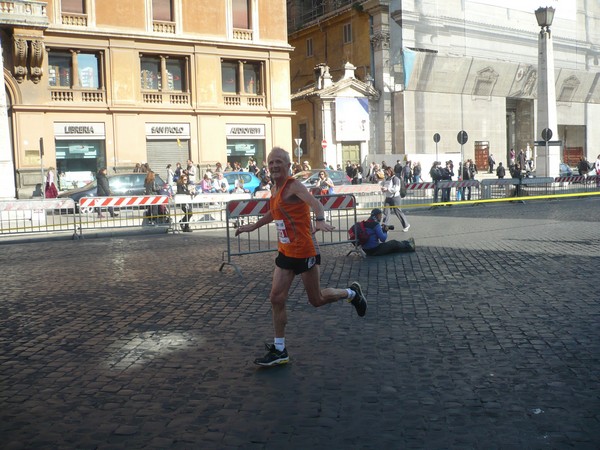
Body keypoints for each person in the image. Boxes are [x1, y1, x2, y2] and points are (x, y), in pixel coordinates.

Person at [235, 147, 367, 367]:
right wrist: (253, 226)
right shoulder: (275, 188)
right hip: (286, 251)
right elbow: (274, 212)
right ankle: (280, 350)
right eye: (271, 163)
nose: (275, 166)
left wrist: (320, 219)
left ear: (288, 166)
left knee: (316, 299)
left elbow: (315, 203)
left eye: (279, 162)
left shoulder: (293, 185)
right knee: (276, 298)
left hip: (305, 251)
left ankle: (352, 293)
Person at [381, 166, 410, 232]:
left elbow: (396, 188)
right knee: (386, 212)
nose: (387, 173)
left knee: (398, 212)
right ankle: (384, 227)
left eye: (388, 172)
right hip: (388, 198)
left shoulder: (396, 179)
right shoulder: (387, 179)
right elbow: (385, 186)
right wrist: (383, 189)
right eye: (386, 172)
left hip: (395, 198)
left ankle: (406, 225)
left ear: (391, 171)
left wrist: (387, 189)